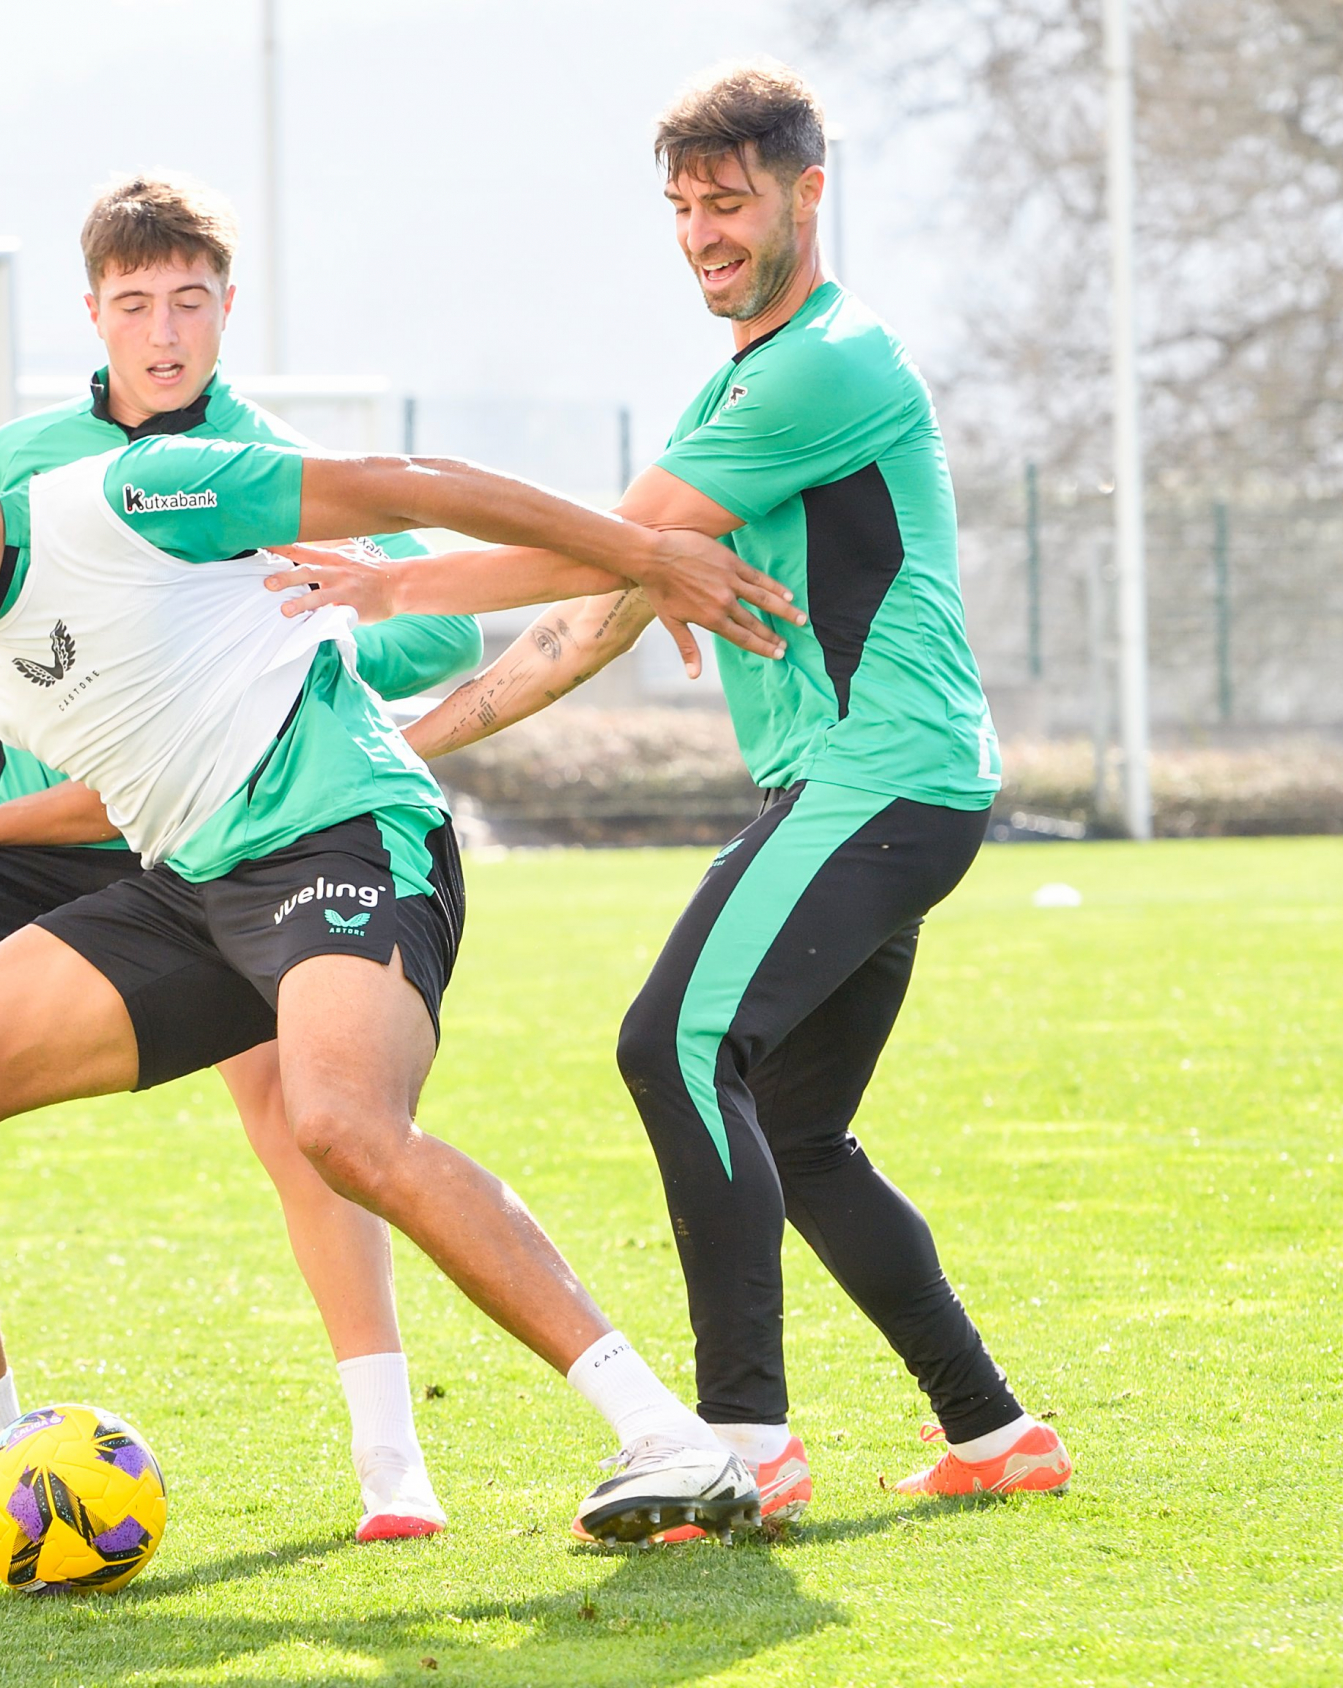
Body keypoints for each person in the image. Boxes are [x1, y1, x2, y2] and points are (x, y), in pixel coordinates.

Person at [273, 60, 1076, 1517]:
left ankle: (745, 1445)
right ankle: (994, 1432)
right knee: (800, 1130)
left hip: (875, 778)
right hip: (874, 787)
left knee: (674, 1046)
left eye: (733, 200)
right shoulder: (744, 384)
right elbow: (601, 612)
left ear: (807, 193)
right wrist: (407, 743)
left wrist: (400, 579)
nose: (705, 231)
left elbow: (607, 549)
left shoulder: (822, 364)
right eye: (685, 207)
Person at [0, 396, 807, 1552]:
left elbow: (409, 479)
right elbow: (132, 785)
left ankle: (669, 1433)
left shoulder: (129, 495)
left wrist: (639, 554)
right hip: (195, 882)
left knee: (343, 1124)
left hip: (348, 830)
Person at [0, 175, 483, 1550]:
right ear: (92, 314)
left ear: (230, 308)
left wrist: (312, 614)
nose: (161, 332)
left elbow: (440, 634)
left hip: (194, 831)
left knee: (304, 1127)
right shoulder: (25, 451)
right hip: (16, 832)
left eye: (187, 303)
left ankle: (389, 1456)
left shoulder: (269, 466)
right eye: (132, 305)